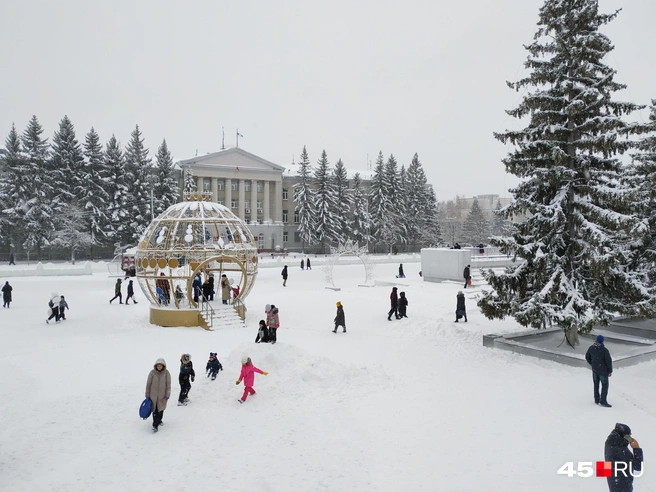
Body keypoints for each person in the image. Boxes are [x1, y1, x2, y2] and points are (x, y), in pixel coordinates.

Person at [604, 423, 643, 492]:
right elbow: (638, 466)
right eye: (628, 436)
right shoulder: (620, 450)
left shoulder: (610, 443)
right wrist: (637, 449)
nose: (629, 439)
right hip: (622, 486)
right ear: (624, 436)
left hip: (614, 483)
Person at [585, 335, 613, 407]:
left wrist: (592, 364)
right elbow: (608, 361)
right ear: (602, 341)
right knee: (605, 385)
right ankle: (603, 401)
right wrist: (610, 371)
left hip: (595, 370)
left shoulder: (591, 348)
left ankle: (597, 399)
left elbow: (587, 357)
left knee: (596, 384)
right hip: (603, 371)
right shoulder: (604, 350)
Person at [145, 358, 171, 433]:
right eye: (158, 366)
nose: (159, 367)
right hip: (153, 396)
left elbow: (168, 385)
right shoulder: (152, 373)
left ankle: (159, 420)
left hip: (162, 396)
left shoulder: (166, 373)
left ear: (163, 366)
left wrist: (167, 395)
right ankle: (155, 425)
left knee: (161, 410)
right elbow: (148, 384)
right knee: (155, 410)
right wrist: (147, 394)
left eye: (161, 366)